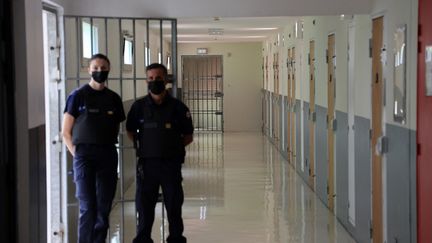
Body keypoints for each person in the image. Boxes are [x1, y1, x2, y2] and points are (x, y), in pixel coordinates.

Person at [126, 63, 193, 243]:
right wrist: (145, 147)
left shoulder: (178, 108)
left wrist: (172, 148)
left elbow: (188, 135)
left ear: (166, 79)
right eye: (150, 78)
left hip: (171, 164)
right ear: (147, 80)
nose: (154, 81)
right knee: (145, 206)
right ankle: (143, 238)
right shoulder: (138, 107)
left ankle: (176, 238)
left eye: (158, 78)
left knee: (173, 205)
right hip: (147, 165)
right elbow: (130, 130)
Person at [62, 53, 125, 243]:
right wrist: (78, 155)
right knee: (87, 206)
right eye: (95, 68)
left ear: (109, 70)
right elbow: (66, 132)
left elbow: (118, 126)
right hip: (84, 156)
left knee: (103, 206)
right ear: (88, 70)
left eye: (103, 68)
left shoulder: (113, 98)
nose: (100, 71)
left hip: (107, 154)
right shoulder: (77, 96)